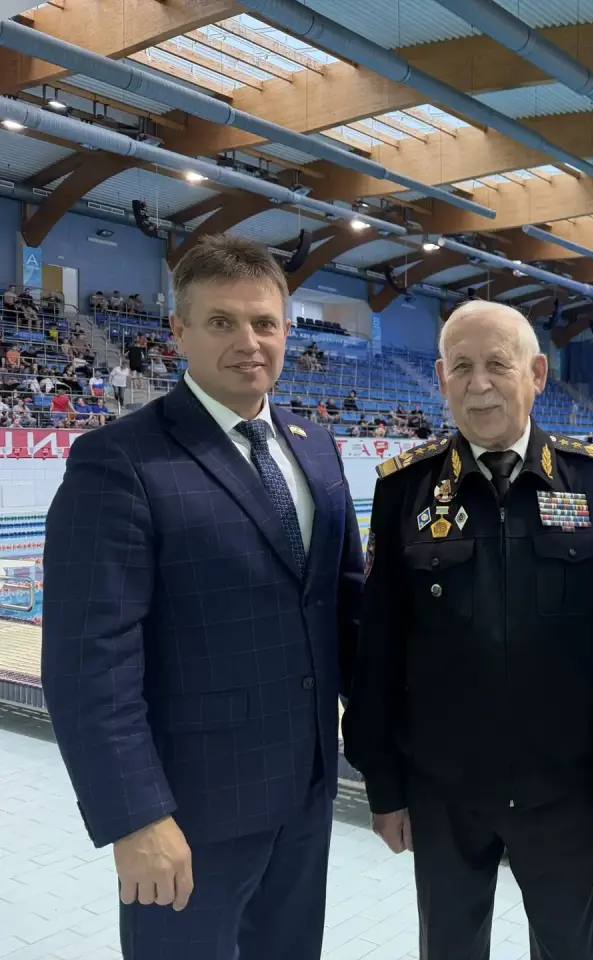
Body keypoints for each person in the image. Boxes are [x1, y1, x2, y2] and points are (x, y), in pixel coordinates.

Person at [41, 234, 364, 960]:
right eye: (222, 322)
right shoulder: (121, 461)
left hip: (306, 796)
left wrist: (388, 755)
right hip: (188, 816)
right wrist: (136, 818)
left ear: (286, 331)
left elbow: (346, 607)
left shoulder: (314, 446)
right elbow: (89, 661)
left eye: (264, 322)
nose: (248, 342)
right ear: (179, 331)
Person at [343, 299, 593, 960]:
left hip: (561, 786)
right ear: (441, 378)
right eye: (461, 367)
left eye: (498, 365)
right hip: (442, 789)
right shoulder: (405, 491)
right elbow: (379, 648)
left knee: (571, 949)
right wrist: (384, 783)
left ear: (536, 374)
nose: (479, 384)